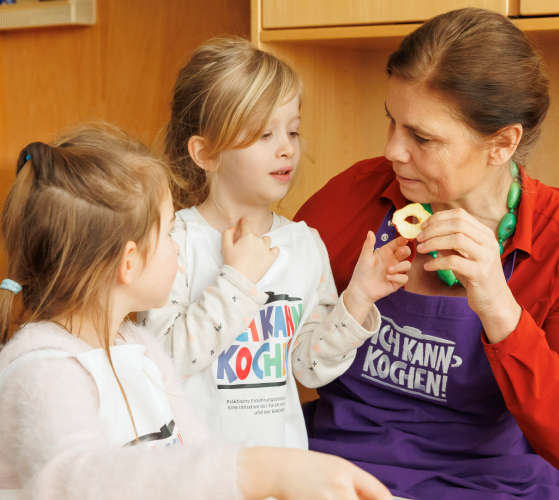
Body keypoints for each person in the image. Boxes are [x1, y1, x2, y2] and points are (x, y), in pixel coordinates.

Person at [0, 124, 393, 500]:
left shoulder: (137, 347)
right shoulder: (42, 371)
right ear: (130, 262)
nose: (179, 243)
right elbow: (74, 481)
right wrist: (260, 471)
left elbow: (194, 454)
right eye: (169, 230)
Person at [294, 8, 559, 499]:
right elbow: (265, 340)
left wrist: (496, 303)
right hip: (339, 472)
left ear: (502, 143)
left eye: (422, 138)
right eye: (392, 122)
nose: (393, 151)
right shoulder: (355, 196)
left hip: (487, 485)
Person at [142, 36, 412, 450]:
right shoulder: (173, 241)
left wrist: (357, 299)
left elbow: (308, 366)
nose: (286, 149)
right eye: (264, 134)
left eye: (292, 131)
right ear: (205, 153)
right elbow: (164, 362)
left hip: (278, 475)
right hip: (194, 475)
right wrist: (236, 281)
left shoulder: (304, 244)